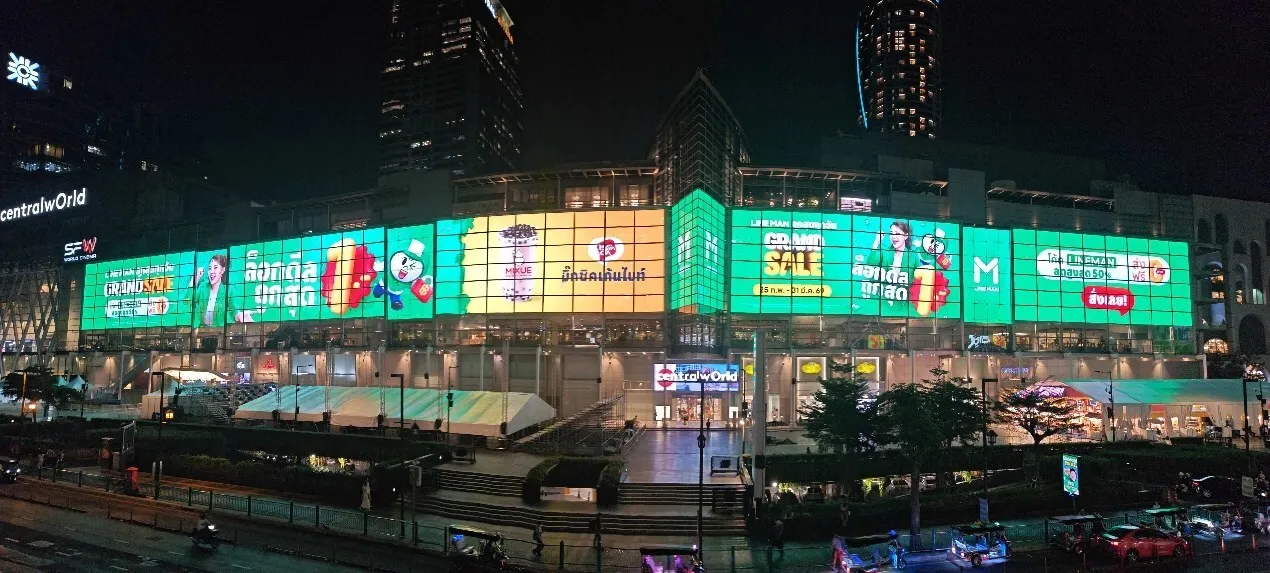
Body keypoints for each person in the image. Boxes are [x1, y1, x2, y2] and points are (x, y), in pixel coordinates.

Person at [189, 253, 243, 327]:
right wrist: (195, 279)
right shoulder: (203, 287)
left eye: (215, 267)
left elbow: (234, 310)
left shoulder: (229, 290)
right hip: (201, 330)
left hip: (219, 331)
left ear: (222, 270)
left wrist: (239, 316)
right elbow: (188, 301)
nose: (212, 271)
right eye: (210, 268)